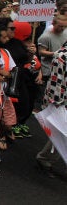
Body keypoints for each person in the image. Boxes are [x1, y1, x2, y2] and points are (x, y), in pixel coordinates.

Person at [36, 41, 67, 178]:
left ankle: (44, 158)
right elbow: (56, 80)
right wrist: (56, 103)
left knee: (60, 132)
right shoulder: (61, 56)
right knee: (60, 132)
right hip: (61, 101)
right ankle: (44, 158)